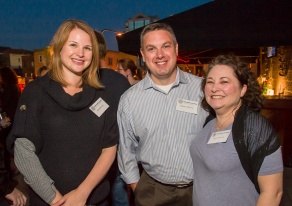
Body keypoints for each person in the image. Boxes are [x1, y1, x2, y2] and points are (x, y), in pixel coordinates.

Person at [6, 19, 118, 206]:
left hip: (94, 200)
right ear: (59, 48)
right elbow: (23, 151)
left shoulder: (102, 95)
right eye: (73, 44)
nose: (80, 53)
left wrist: (82, 193)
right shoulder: (36, 92)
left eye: (87, 48)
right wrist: (56, 199)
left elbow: (109, 148)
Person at [117, 22, 209, 206]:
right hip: (153, 192)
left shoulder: (203, 89)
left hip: (201, 190)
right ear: (143, 55)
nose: (159, 55)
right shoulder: (129, 100)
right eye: (151, 48)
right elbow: (126, 152)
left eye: (165, 46)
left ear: (176, 49)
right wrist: (138, 188)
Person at [190, 54, 283, 206]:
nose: (214, 88)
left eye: (224, 82)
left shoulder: (254, 127)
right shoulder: (209, 122)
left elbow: (273, 193)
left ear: (243, 89)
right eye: (210, 82)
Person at [94, 30, 131, 206]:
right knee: (120, 198)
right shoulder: (121, 81)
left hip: (94, 157)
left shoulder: (86, 82)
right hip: (120, 154)